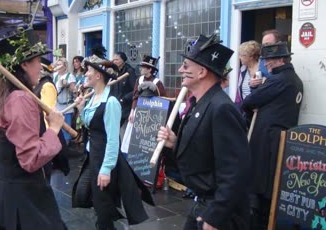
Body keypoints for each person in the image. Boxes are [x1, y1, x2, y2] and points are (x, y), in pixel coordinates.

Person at [0, 30, 67, 230]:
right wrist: (53, 129)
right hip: (17, 196)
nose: (41, 67)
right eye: (38, 61)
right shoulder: (20, 98)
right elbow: (31, 159)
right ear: (24, 64)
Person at [157, 34, 251, 230]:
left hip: (220, 209)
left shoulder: (221, 108)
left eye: (185, 66)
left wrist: (216, 215)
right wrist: (175, 143)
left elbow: (236, 171)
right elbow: (202, 152)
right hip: (203, 202)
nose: (180, 70)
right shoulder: (199, 104)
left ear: (201, 72)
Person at [72, 54, 154, 230]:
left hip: (103, 159)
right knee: (83, 195)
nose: (85, 74)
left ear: (98, 76)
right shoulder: (93, 98)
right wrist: (80, 109)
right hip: (92, 157)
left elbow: (112, 140)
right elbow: (89, 125)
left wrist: (106, 169)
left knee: (103, 210)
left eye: (89, 71)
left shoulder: (111, 103)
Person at [242, 42, 303, 230]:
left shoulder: (280, 80)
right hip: (279, 138)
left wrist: (255, 91)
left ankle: (260, 221)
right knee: (269, 183)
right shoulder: (293, 79)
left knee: (262, 184)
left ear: (281, 60)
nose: (266, 64)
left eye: (269, 60)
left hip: (268, 139)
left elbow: (250, 101)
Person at [128, 55, 166, 123]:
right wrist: (132, 111)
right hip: (139, 111)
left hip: (152, 113)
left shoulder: (157, 82)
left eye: (143, 67)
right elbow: (135, 97)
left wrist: (155, 89)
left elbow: (163, 99)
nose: (141, 69)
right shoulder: (139, 80)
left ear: (149, 69)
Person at [53, 57, 76, 144]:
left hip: (66, 108)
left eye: (59, 65)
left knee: (66, 130)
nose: (57, 66)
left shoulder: (70, 76)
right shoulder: (55, 75)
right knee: (56, 130)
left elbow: (74, 90)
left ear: (65, 66)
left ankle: (66, 149)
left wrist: (67, 85)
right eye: (57, 64)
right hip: (56, 107)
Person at [110, 51, 137, 126]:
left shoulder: (130, 71)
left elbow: (135, 89)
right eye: (113, 60)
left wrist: (124, 99)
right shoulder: (114, 71)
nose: (114, 62)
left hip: (125, 107)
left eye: (117, 60)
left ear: (123, 60)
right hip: (115, 104)